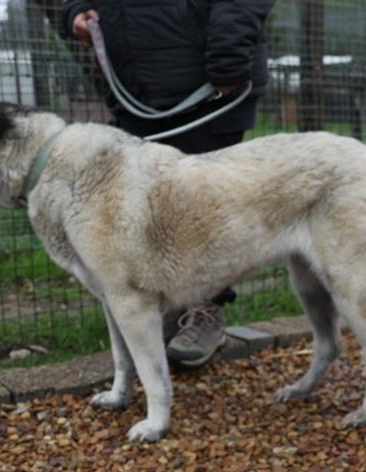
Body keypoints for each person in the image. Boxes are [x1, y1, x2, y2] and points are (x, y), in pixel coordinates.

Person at [62, 0, 274, 367]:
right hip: (137, 89)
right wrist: (76, 9)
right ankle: (170, 309)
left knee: (203, 209)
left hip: (207, 84)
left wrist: (228, 56)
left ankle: (206, 310)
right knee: (148, 212)